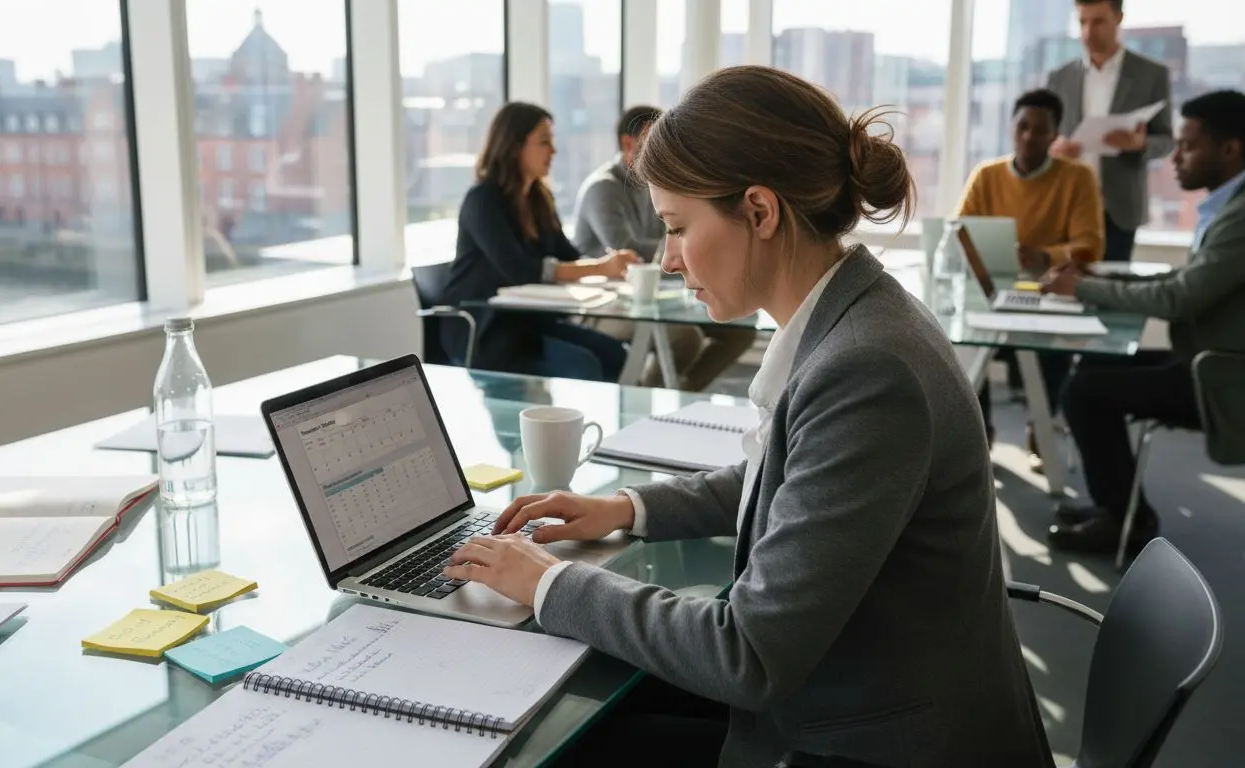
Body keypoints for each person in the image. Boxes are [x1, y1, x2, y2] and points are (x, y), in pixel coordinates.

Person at [442, 67, 1053, 768]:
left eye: (676, 227)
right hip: (855, 697)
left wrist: (545, 581)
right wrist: (622, 507)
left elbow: (747, 654)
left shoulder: (866, 370)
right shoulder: (857, 317)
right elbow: (787, 478)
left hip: (876, 743)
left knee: (552, 744)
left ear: (760, 212)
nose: (667, 259)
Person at [1042, 90, 1245, 555]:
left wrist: (1084, 288)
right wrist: (1100, 278)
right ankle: (1120, 507)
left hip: (1222, 374)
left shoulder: (1240, 215)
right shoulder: (1230, 205)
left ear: (1230, 149)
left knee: (1084, 392)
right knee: (1092, 369)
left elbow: (1179, 298)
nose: (1174, 158)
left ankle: (1125, 523)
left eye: (1188, 146)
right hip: (1202, 360)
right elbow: (1193, 279)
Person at [957, 88, 1105, 465]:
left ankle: (1041, 424)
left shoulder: (1077, 178)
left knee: (1054, 345)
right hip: (992, 291)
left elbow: (1090, 246)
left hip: (1048, 291)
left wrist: (1044, 256)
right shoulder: (986, 175)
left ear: (1056, 136)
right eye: (1022, 126)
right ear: (1011, 128)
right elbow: (959, 233)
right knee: (964, 342)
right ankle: (978, 429)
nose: (1029, 136)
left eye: (1040, 130)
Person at [443, 103, 638, 382]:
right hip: (487, 328)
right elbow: (519, 270)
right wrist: (600, 268)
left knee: (613, 354)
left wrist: (609, 267)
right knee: (584, 366)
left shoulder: (538, 199)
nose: (553, 151)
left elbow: (568, 254)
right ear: (513, 146)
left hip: (530, 322)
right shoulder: (483, 199)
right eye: (544, 142)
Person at [573, 106, 758, 391]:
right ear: (627, 143)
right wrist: (689, 237)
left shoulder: (654, 187)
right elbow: (629, 250)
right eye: (653, 143)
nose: (663, 153)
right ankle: (651, 405)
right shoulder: (603, 188)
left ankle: (680, 392)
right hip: (603, 308)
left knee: (739, 330)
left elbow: (664, 245)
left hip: (653, 298)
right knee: (684, 337)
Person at [1046, 0, 1173, 263]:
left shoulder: (1151, 74)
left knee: (1112, 288)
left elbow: (1166, 140)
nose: (1088, 32)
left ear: (1119, 18)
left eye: (1098, 22)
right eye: (1082, 22)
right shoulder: (1060, 77)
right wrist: (1057, 148)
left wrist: (1139, 144)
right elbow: (1048, 136)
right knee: (1062, 286)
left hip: (1120, 207)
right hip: (1068, 203)